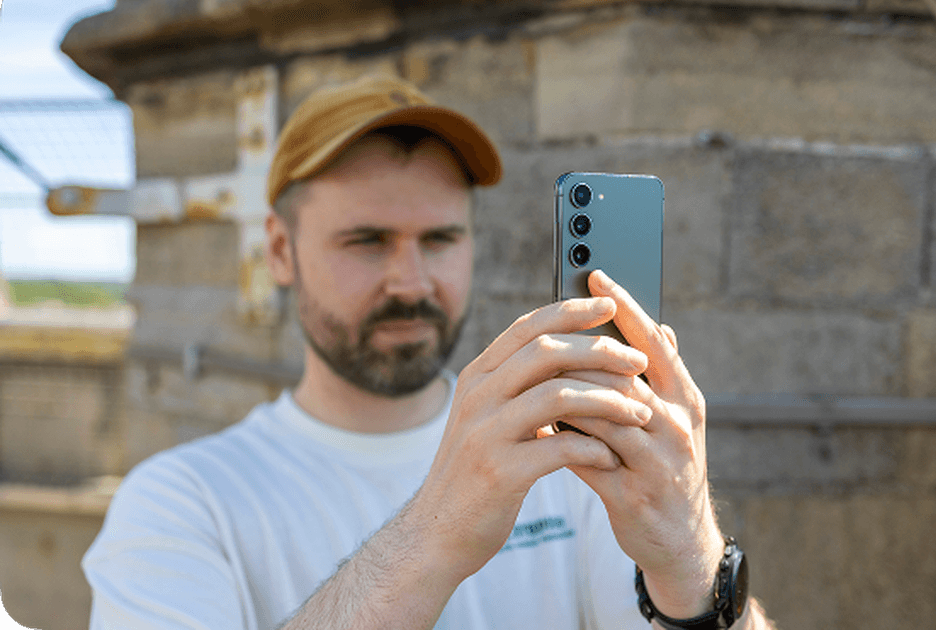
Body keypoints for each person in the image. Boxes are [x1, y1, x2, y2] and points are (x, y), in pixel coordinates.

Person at [82, 76, 776, 630]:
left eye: (440, 240)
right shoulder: (179, 504)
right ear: (279, 250)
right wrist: (433, 535)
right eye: (367, 241)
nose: (411, 283)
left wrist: (692, 566)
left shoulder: (576, 459)